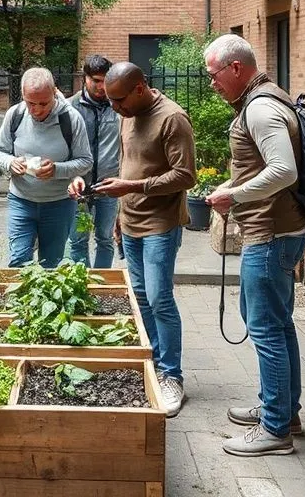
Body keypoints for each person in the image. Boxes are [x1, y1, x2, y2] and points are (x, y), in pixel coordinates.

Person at [204, 34, 305, 457]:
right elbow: (265, 165)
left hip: (270, 234)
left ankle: (274, 430)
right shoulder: (266, 96)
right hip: (278, 230)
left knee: (266, 329)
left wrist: (236, 196)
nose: (212, 84)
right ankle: (282, 409)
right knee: (278, 325)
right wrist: (231, 184)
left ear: (235, 69)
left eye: (213, 75)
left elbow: (283, 171)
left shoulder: (261, 107)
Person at [94, 61, 195, 417]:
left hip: (161, 224)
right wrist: (121, 210)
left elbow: (185, 176)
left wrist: (133, 187)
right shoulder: (126, 113)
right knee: (139, 296)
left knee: (159, 297)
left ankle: (172, 376)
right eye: (110, 100)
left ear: (140, 89)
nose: (114, 107)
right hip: (132, 221)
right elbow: (128, 164)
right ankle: (151, 361)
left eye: (119, 100)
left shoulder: (172, 118)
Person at [0, 67, 92, 268]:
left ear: (54, 92)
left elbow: (85, 161)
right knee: (18, 261)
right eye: (30, 103)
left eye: (43, 103)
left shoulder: (70, 119)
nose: (36, 110)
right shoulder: (15, 115)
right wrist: (11, 163)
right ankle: (19, 301)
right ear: (23, 96)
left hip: (59, 204)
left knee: (51, 264)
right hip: (21, 200)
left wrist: (56, 169)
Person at [66, 54, 121, 268]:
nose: (101, 86)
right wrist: (71, 177)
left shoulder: (118, 107)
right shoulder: (70, 108)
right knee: (78, 240)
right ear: (84, 78)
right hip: (78, 184)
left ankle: (103, 286)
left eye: (105, 81)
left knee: (105, 239)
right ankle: (84, 285)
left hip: (108, 185)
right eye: (96, 80)